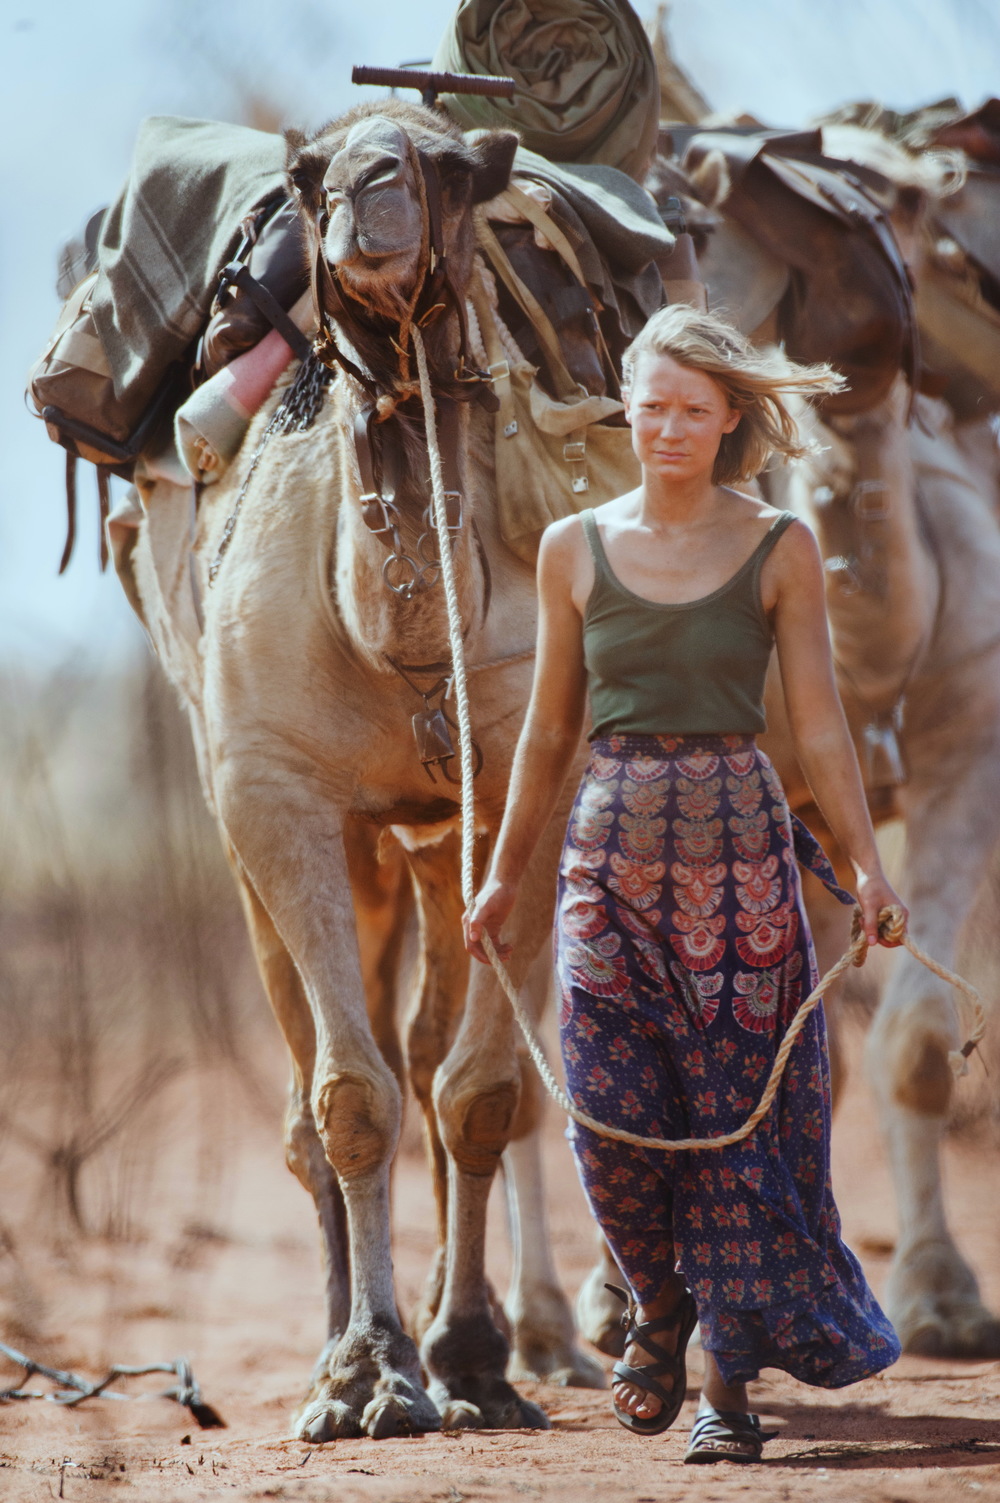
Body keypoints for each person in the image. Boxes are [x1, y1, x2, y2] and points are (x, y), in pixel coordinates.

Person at [464, 305, 904, 1464]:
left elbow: (815, 728)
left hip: (745, 861)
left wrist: (863, 868)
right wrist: (502, 876)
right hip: (604, 865)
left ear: (727, 423)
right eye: (650, 406)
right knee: (610, 1116)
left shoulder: (778, 547)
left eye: (691, 411)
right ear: (626, 406)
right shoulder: (572, 546)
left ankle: (726, 1378)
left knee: (739, 1129)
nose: (666, 428)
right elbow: (547, 732)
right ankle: (654, 1302)